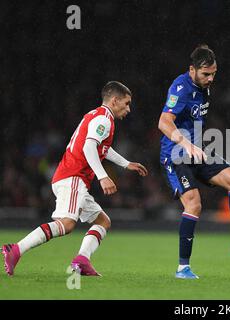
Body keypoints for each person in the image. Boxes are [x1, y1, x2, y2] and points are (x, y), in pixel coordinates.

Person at [2, 81, 148, 276]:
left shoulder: (96, 115)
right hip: (72, 177)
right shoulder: (104, 119)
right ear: (114, 100)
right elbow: (89, 147)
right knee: (67, 223)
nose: (129, 108)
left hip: (74, 178)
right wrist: (103, 177)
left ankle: (82, 260)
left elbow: (102, 148)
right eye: (127, 103)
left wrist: (126, 163)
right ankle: (15, 250)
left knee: (103, 221)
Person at [158, 44, 230, 279]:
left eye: (213, 74)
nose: (210, 79)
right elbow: (164, 122)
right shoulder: (180, 87)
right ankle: (183, 268)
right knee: (194, 204)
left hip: (196, 151)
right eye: (205, 74)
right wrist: (187, 145)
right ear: (192, 70)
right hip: (176, 154)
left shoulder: (203, 88)